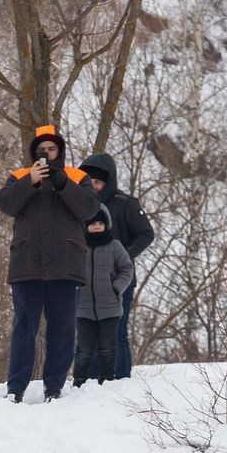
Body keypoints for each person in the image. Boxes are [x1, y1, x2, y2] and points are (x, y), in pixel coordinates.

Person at [0, 123, 103, 402]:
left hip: (66, 265)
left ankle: (53, 387)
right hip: (26, 264)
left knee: (62, 330)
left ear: (60, 150)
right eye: (41, 150)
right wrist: (29, 182)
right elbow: (5, 204)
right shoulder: (19, 175)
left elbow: (89, 209)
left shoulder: (77, 177)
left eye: (51, 149)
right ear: (34, 153)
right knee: (24, 329)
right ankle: (15, 388)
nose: (46, 154)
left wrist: (63, 183)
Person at [76, 153, 153, 378]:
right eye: (90, 182)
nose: (94, 187)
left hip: (118, 281)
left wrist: (123, 258)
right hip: (86, 285)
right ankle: (89, 382)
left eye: (98, 182)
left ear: (108, 182)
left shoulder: (125, 204)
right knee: (88, 334)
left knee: (116, 333)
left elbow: (146, 234)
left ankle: (118, 381)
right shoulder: (79, 206)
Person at [70, 210, 133, 388]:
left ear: (106, 225)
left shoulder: (114, 246)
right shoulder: (78, 245)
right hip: (83, 307)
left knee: (108, 347)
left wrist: (116, 287)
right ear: (86, 226)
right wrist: (74, 289)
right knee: (84, 349)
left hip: (110, 307)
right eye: (93, 224)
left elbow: (127, 268)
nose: (97, 226)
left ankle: (107, 379)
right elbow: (69, 268)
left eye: (100, 223)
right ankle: (79, 381)